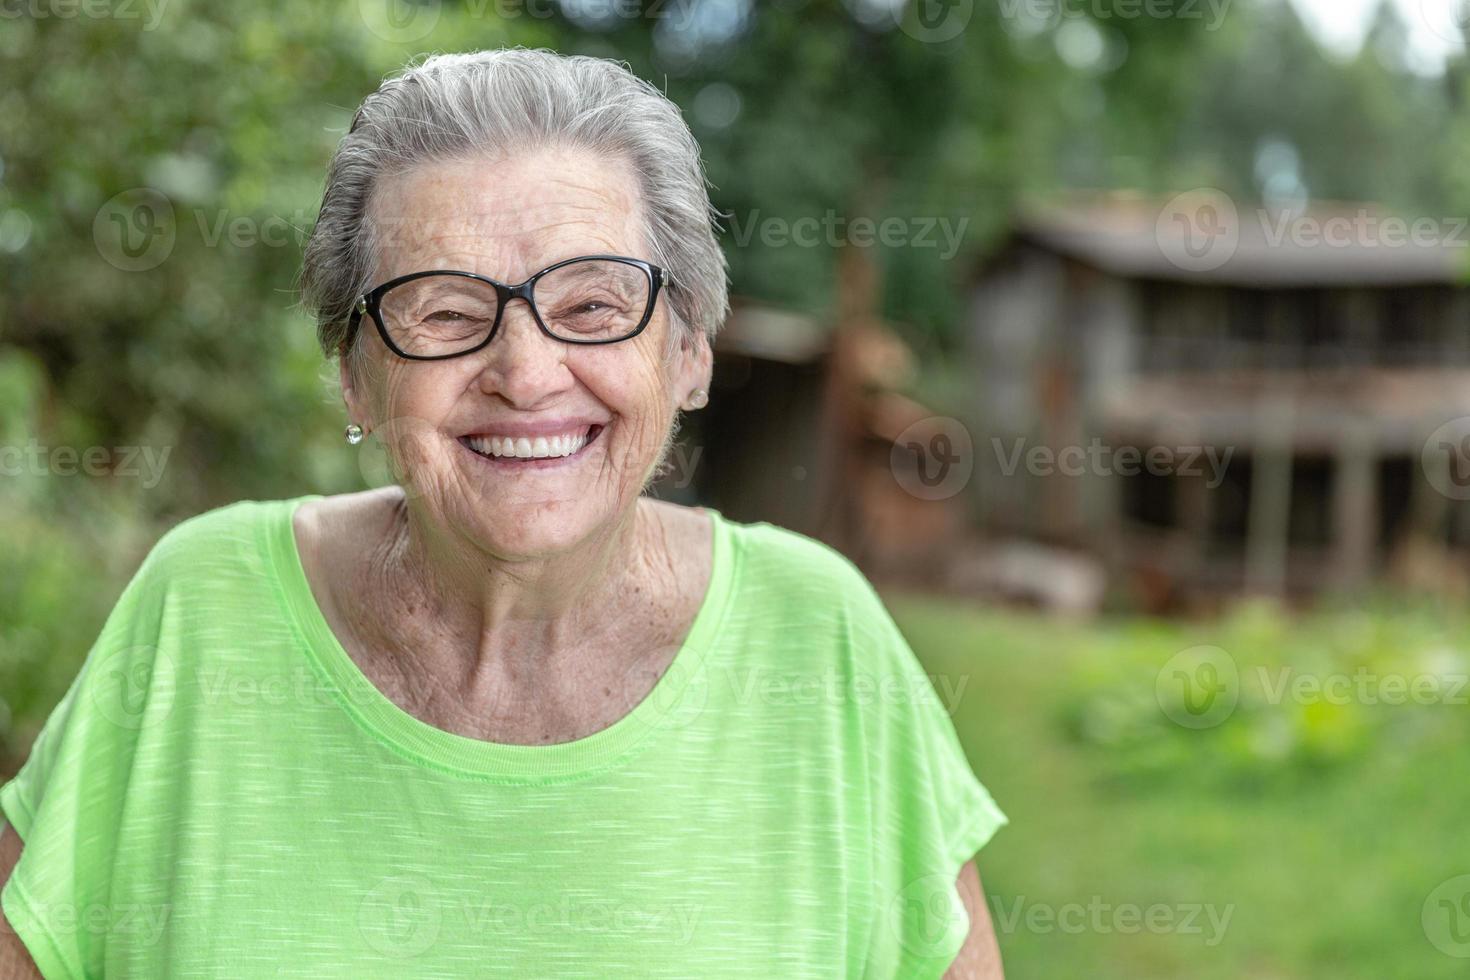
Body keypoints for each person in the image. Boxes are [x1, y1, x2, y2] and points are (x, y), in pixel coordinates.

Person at [0, 47, 1006, 977]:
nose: (525, 374)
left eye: (594, 306)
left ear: (689, 351)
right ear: (356, 377)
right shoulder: (199, 608)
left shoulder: (820, 639)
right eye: (443, 309)